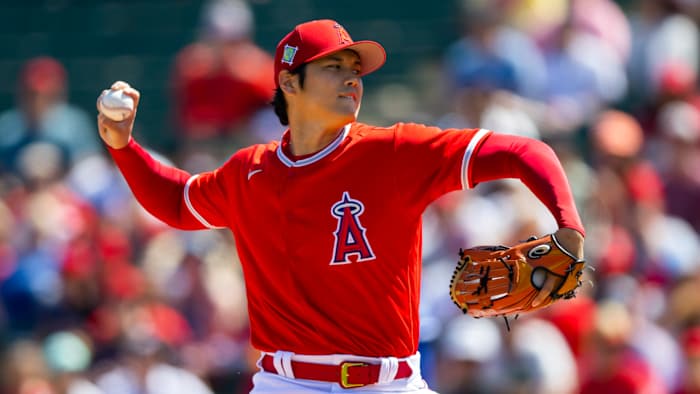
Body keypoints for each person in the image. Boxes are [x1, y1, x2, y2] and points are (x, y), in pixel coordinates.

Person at [96, 19, 585, 393]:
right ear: (290, 83)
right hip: (286, 384)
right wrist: (123, 145)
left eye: (356, 70)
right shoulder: (250, 172)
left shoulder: (394, 152)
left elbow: (526, 152)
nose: (353, 79)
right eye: (334, 68)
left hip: (390, 383)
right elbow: (178, 202)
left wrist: (568, 227)